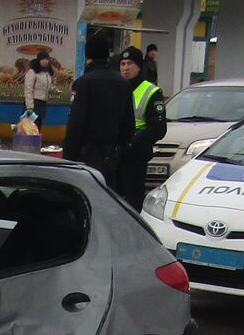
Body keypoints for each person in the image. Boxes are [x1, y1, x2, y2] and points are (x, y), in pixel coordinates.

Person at [61, 34, 131, 195]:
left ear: (88, 57)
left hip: (87, 155)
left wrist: (68, 158)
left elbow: (76, 123)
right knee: (108, 198)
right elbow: (128, 124)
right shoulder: (124, 84)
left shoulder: (85, 82)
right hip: (113, 155)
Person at [116, 45, 167, 211]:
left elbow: (159, 127)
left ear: (139, 66)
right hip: (115, 154)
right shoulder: (115, 87)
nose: (125, 68)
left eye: (129, 63)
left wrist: (134, 141)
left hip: (135, 155)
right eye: (122, 64)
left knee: (132, 203)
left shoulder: (151, 91)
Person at [23, 52, 54, 129]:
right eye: (43, 59)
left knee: (38, 126)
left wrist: (55, 90)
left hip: (43, 102)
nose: (45, 61)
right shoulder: (32, 72)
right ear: (39, 60)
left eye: (47, 59)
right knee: (31, 127)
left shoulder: (47, 72)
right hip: (34, 102)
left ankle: (36, 140)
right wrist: (30, 107)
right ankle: (29, 141)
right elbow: (28, 90)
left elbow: (46, 86)